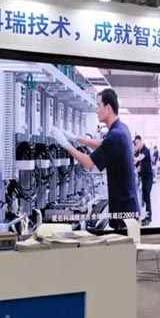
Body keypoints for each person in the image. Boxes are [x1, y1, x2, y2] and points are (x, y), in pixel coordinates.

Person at [50, 88, 139, 230]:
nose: (96, 110)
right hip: (128, 206)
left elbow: (88, 163)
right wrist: (76, 138)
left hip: (124, 212)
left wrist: (65, 144)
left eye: (98, 105)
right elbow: (102, 143)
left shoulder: (115, 135)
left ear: (108, 108)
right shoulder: (122, 129)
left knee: (124, 243)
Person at [134, 136, 153, 225]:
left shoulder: (146, 150)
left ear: (141, 141)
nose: (137, 145)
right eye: (136, 144)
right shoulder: (139, 151)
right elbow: (137, 164)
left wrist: (130, 157)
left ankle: (149, 218)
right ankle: (146, 216)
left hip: (148, 177)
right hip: (143, 177)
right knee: (144, 198)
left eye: (137, 143)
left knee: (147, 197)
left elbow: (139, 158)